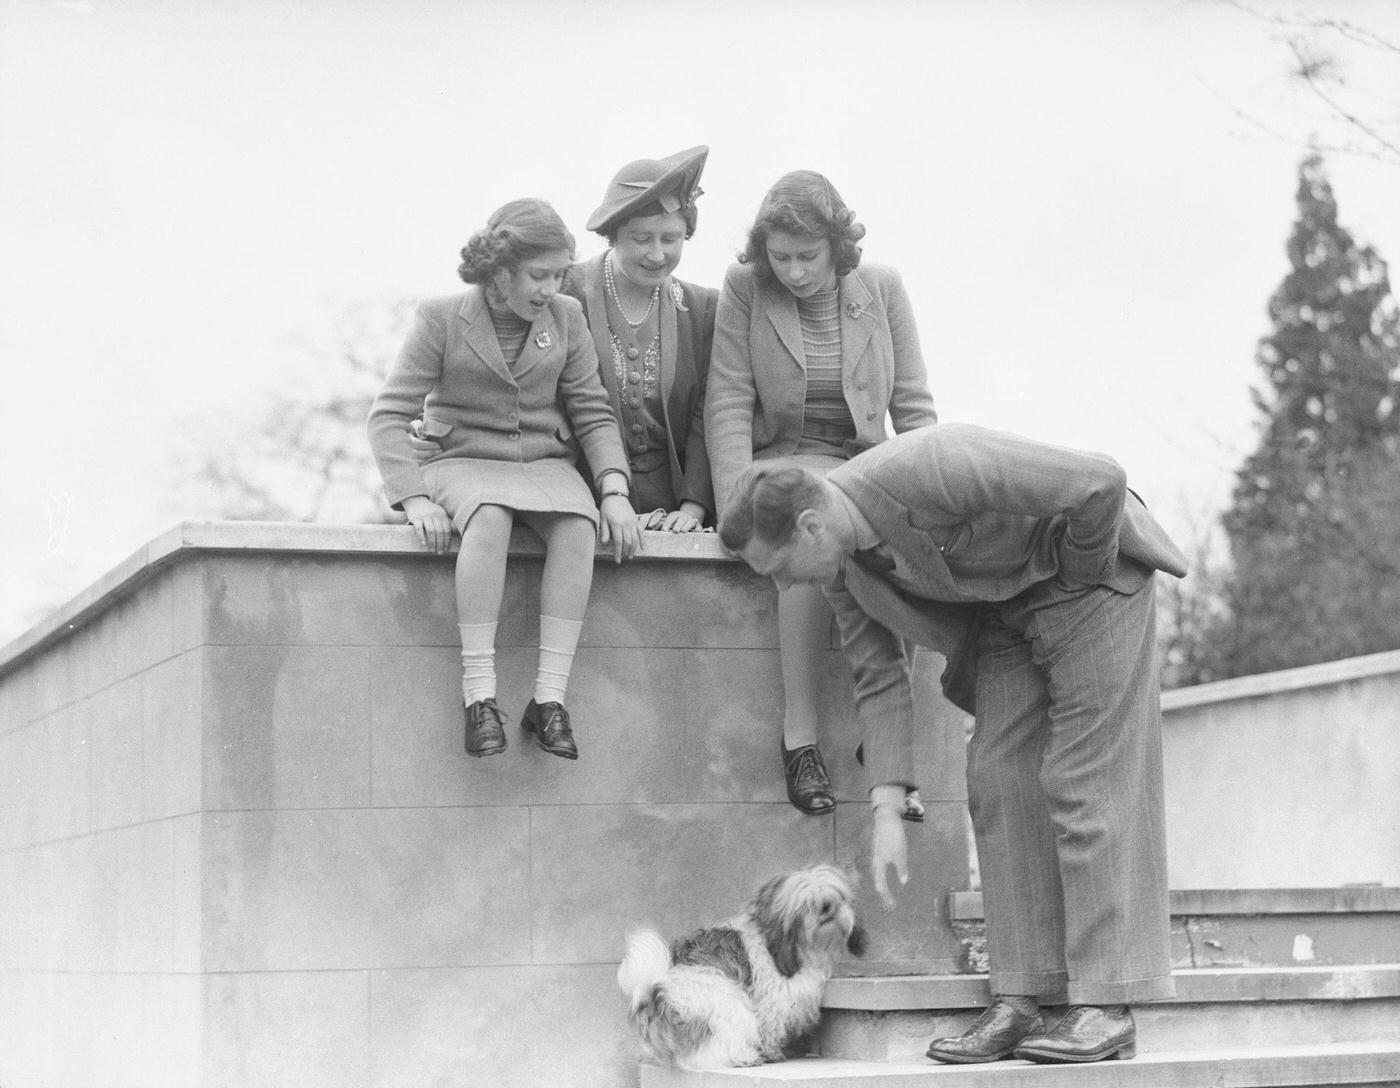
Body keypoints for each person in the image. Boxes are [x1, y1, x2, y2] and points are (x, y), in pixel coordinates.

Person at [717, 423, 1188, 1065]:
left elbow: (1101, 481)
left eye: (775, 570)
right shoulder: (841, 569)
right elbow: (879, 679)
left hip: (1090, 582)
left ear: (808, 527)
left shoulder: (932, 464)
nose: (780, 586)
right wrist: (885, 813)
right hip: (1008, 612)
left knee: (1081, 780)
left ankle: (1106, 1003)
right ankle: (1025, 997)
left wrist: (1079, 574)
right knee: (995, 779)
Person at [367, 198, 641, 763]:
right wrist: (415, 497)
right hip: (461, 460)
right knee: (488, 517)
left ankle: (548, 701)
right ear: (499, 272)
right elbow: (388, 415)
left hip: (541, 465)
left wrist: (613, 490)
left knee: (578, 523)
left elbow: (592, 411)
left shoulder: (566, 317)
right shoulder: (442, 318)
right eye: (538, 275)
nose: (550, 287)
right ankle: (479, 696)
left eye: (559, 274)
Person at [705, 170, 938, 817]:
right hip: (784, 463)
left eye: (807, 257)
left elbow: (914, 405)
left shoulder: (882, 289)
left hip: (863, 461)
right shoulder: (746, 289)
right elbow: (726, 399)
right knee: (802, 544)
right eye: (780, 257)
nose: (794, 271)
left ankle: (883, 749)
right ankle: (800, 739)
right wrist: (736, 504)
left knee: (905, 546)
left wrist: (929, 488)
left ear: (838, 246)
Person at [563, 146, 717, 532]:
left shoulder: (703, 309)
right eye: (641, 238)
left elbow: (707, 415)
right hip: (575, 501)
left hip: (675, 510)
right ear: (612, 234)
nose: (656, 254)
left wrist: (693, 507)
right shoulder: (565, 291)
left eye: (671, 238)